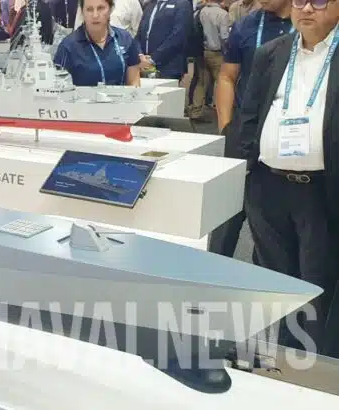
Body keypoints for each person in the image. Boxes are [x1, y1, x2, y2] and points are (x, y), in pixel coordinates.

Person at [237, 0, 339, 353]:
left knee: (316, 282)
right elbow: (249, 115)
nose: (306, 8)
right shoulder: (271, 52)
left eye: (319, 1)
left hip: (320, 191)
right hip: (268, 187)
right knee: (278, 280)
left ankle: (315, 365)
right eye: (299, 1)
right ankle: (284, 357)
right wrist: (247, 173)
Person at [209, 0, 293, 259]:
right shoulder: (246, 26)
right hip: (243, 133)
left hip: (286, 139)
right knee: (226, 216)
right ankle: (211, 269)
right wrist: (226, 126)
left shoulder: (308, 27)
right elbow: (227, 76)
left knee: (273, 223)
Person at [54, 0, 142, 86]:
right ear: (82, 12)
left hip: (123, 96)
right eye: (89, 9)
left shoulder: (125, 39)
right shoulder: (68, 47)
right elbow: (59, 86)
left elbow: (134, 82)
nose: (95, 15)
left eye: (100, 8)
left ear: (110, 9)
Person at [135, 0, 193, 80]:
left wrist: (153, 59)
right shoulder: (149, 5)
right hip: (144, 65)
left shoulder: (182, 4)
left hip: (168, 67)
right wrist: (140, 56)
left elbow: (178, 36)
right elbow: (139, 35)